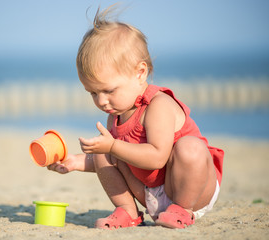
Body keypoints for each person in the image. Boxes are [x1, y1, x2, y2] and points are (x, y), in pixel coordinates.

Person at [47, 5, 224, 229]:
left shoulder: (157, 105)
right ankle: (128, 213)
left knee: (190, 146)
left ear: (140, 73)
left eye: (109, 91)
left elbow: (158, 157)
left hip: (192, 189)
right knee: (105, 152)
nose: (101, 101)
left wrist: (112, 146)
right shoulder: (118, 113)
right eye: (93, 93)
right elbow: (115, 159)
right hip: (153, 194)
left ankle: (183, 210)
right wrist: (75, 162)